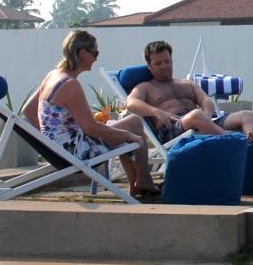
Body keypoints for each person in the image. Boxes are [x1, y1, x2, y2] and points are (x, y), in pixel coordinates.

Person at [21, 30, 159, 197]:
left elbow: (28, 111)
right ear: (83, 53)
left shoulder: (53, 75)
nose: (96, 58)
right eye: (95, 53)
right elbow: (90, 128)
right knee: (134, 123)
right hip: (75, 151)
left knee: (123, 129)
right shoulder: (70, 84)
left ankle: (137, 184)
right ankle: (143, 180)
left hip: (60, 148)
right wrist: (127, 135)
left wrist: (49, 140)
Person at [126, 40, 253, 144]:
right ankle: (237, 141)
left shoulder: (187, 84)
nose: (164, 66)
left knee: (247, 115)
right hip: (172, 129)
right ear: (149, 67)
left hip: (202, 121)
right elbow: (131, 103)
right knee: (196, 115)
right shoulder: (145, 87)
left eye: (167, 61)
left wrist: (207, 114)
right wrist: (156, 112)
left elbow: (205, 100)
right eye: (158, 63)